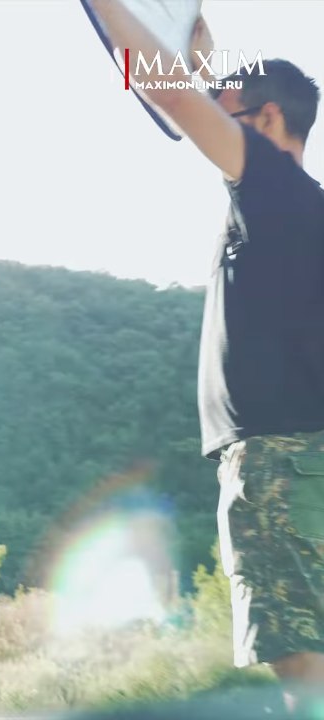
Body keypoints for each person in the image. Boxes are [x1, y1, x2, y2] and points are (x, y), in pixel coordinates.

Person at [87, 3, 324, 716]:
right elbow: (197, 94)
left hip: (279, 464)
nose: (215, 121)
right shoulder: (297, 205)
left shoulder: (273, 187)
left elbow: (165, 94)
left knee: (305, 669)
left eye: (230, 110)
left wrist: (108, 11)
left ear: (269, 120)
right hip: (302, 460)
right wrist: (204, 63)